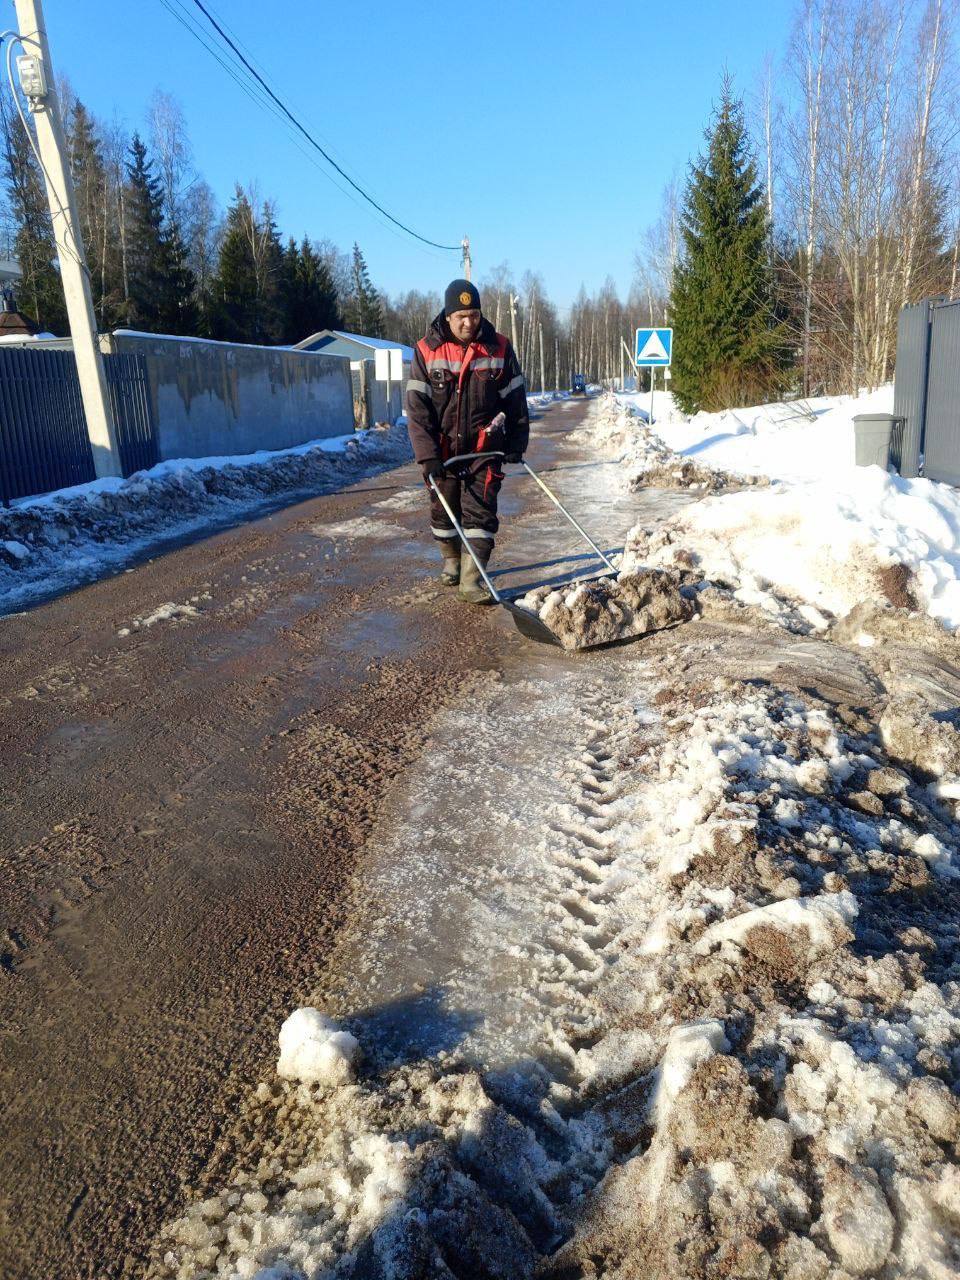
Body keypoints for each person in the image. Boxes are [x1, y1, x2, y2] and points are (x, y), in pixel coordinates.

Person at [405, 279, 529, 604]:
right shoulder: (426, 350)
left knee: (481, 511)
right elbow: (417, 410)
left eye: (474, 315)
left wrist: (516, 442)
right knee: (443, 512)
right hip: (442, 451)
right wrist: (427, 456)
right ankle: (452, 561)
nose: (468, 323)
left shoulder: (499, 347)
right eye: (461, 316)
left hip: (484, 448)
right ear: (448, 316)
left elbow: (515, 399)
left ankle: (472, 581)